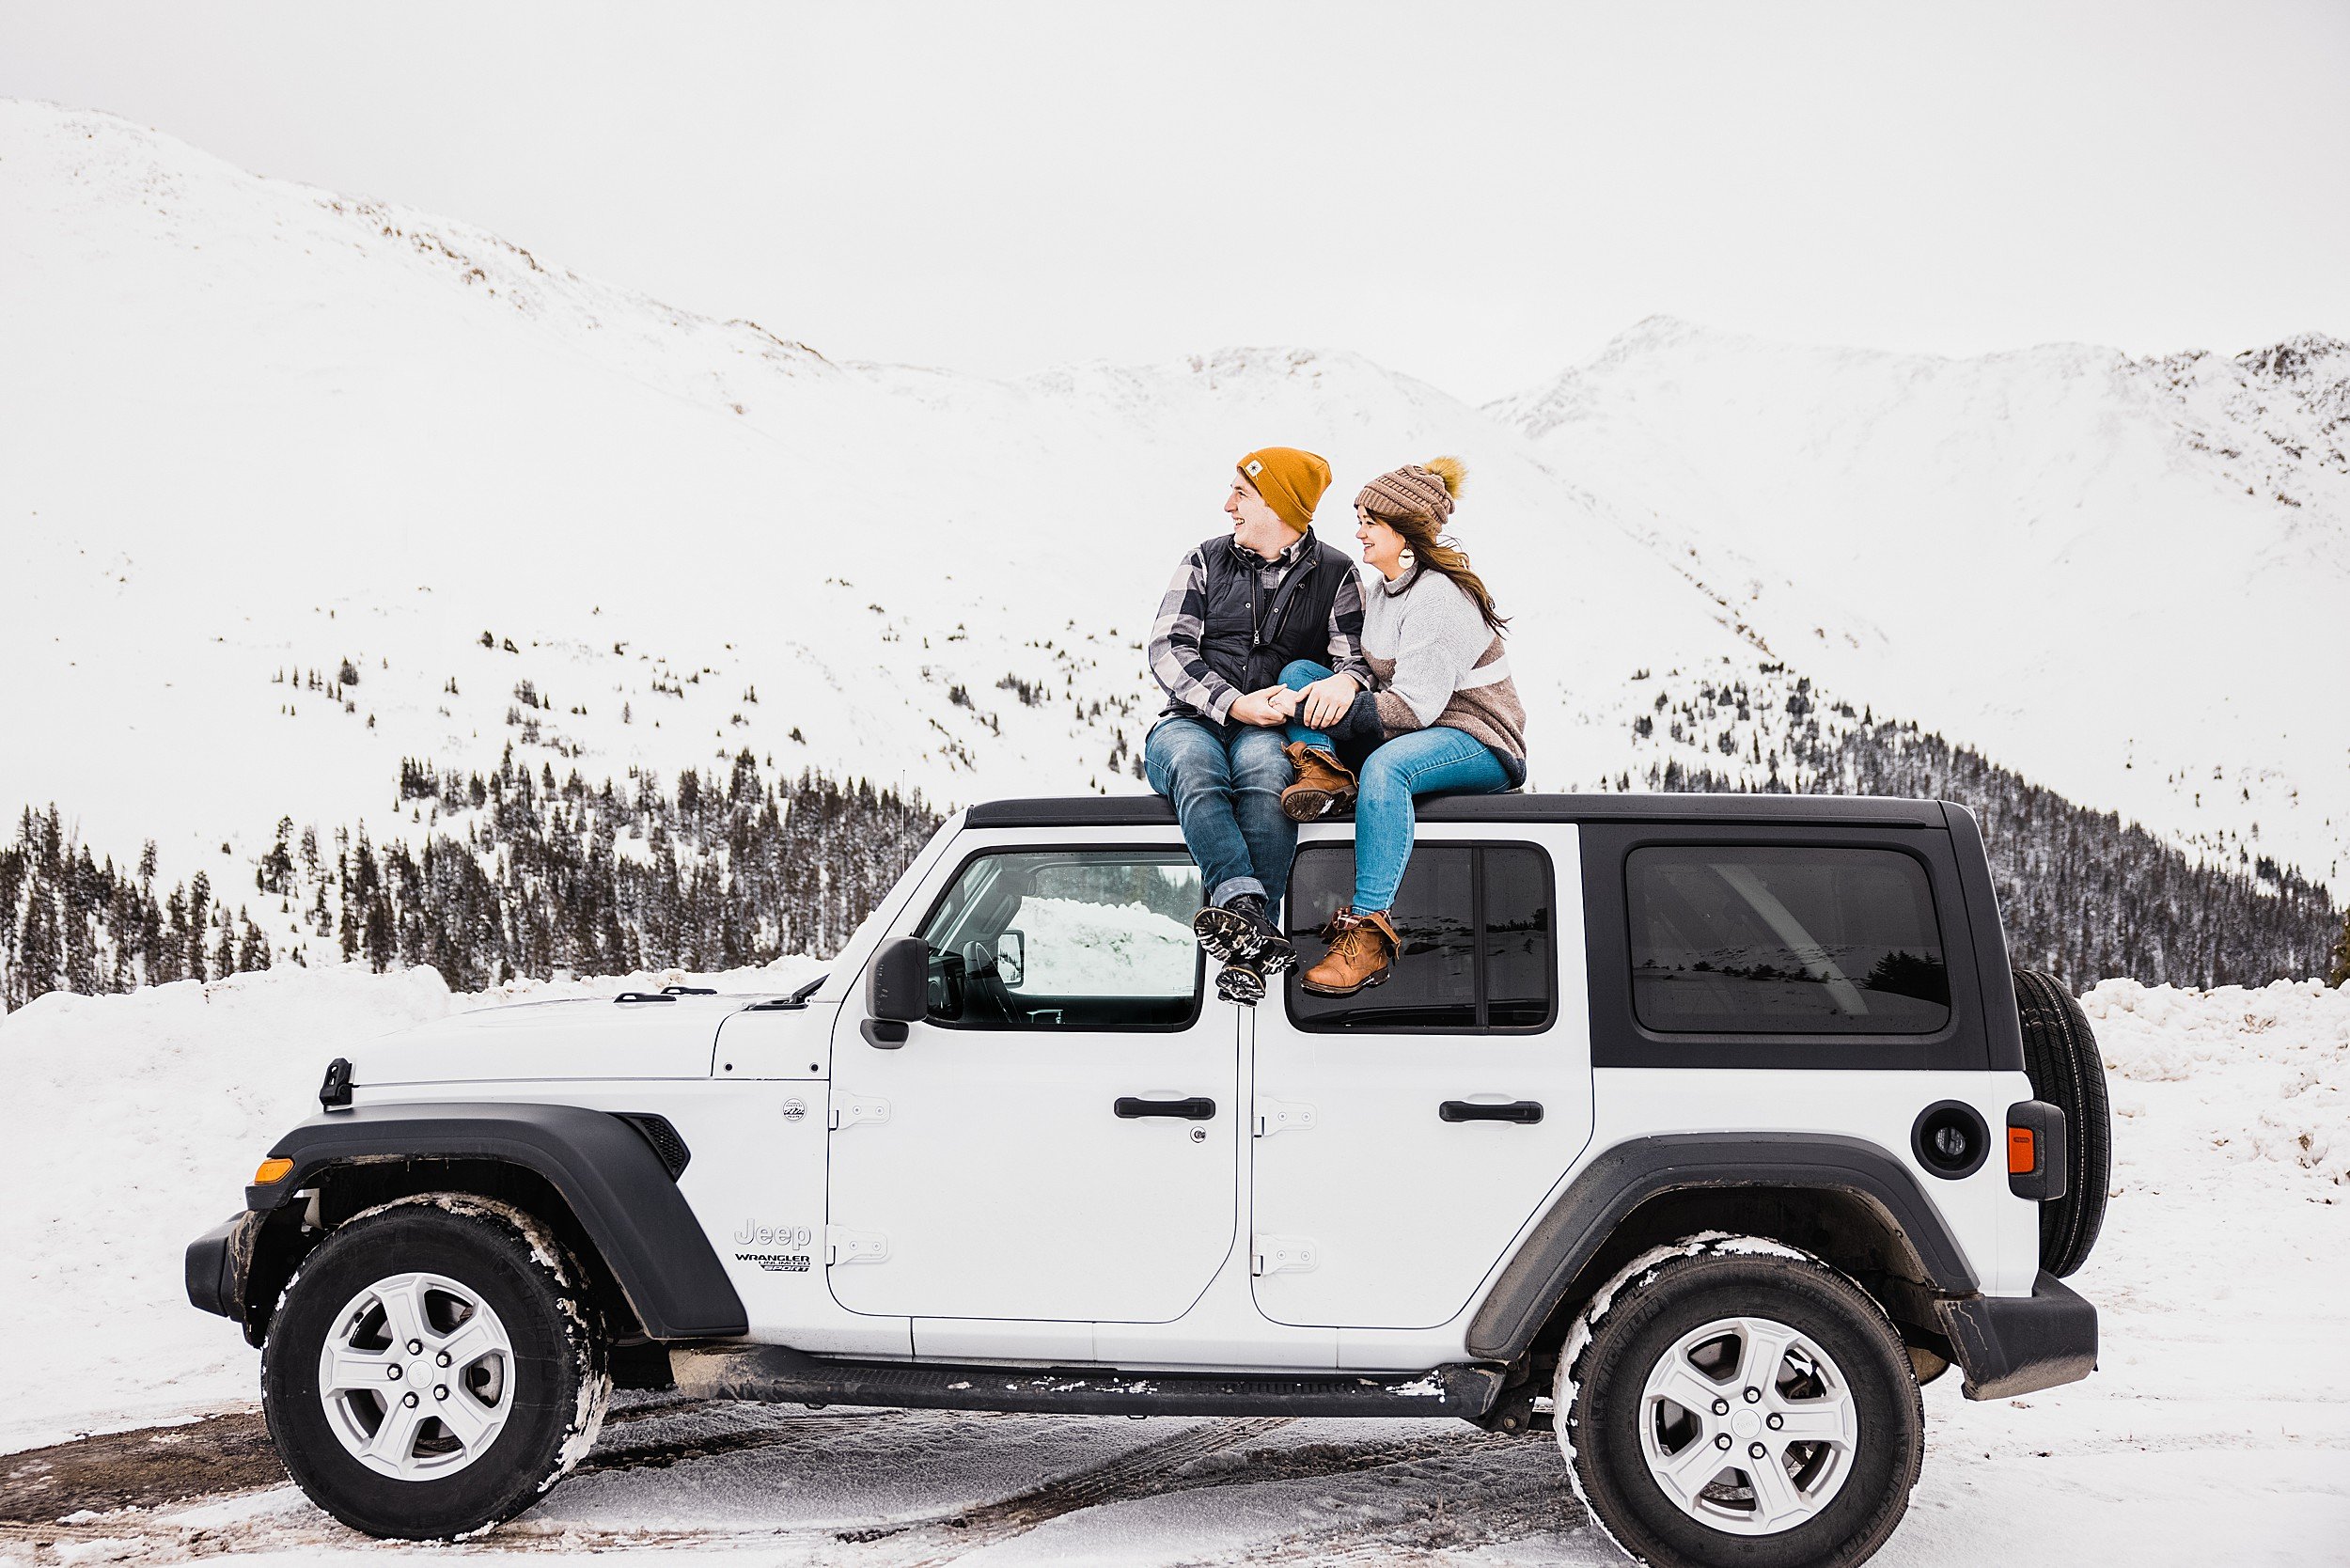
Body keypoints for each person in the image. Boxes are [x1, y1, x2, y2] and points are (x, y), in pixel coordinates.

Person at [1267, 457, 1527, 996]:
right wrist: (1337, 686)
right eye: (1358, 517)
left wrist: (1312, 707)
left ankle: (1368, 933)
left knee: (1387, 769)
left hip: (1475, 737)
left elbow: (1414, 710)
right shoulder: (1383, 587)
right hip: (1410, 728)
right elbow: (1371, 681)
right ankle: (1325, 775)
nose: (1358, 531)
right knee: (1302, 673)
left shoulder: (1435, 597)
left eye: (1369, 521)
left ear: (1403, 531)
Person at [1143, 448, 1371, 1004]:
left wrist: (1345, 683)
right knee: (1198, 768)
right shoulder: (1204, 559)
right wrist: (1233, 703)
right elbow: (1167, 649)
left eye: (1241, 495)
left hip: (1268, 728)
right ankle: (1249, 912)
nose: (1229, 507)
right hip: (1193, 719)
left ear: (1279, 503)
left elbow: (1355, 661)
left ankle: (1244, 939)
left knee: (1269, 778)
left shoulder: (1338, 574)